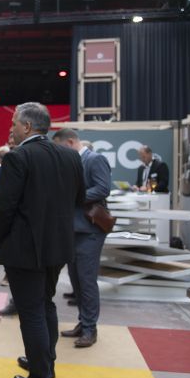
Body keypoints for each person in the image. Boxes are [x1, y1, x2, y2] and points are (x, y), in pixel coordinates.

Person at [0, 102, 84, 378]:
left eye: (14, 124)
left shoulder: (18, 157)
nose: (12, 129)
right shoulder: (70, 156)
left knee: (31, 312)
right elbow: (79, 199)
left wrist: (0, 242)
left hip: (25, 249)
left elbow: (4, 207)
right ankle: (45, 363)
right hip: (59, 246)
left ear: (27, 126)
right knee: (46, 305)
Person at [53, 128, 112, 348]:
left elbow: (103, 188)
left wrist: (73, 197)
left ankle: (90, 329)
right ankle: (83, 322)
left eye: (59, 148)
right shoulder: (71, 163)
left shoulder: (95, 159)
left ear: (69, 142)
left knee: (86, 281)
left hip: (90, 230)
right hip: (72, 230)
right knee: (76, 280)